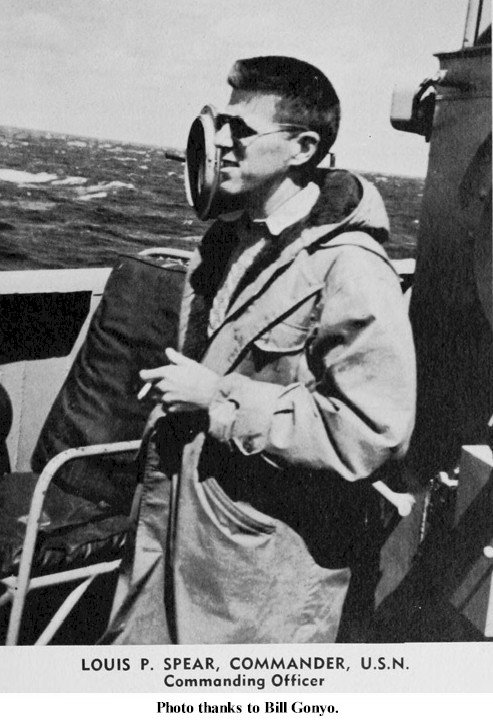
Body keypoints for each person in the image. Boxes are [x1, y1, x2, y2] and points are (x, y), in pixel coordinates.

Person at [104, 56, 416, 644]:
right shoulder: (227, 241)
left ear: (302, 148)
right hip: (173, 532)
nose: (220, 142)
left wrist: (218, 398)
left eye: (241, 130)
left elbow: (372, 431)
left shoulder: (351, 269)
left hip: (255, 581)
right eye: (219, 124)